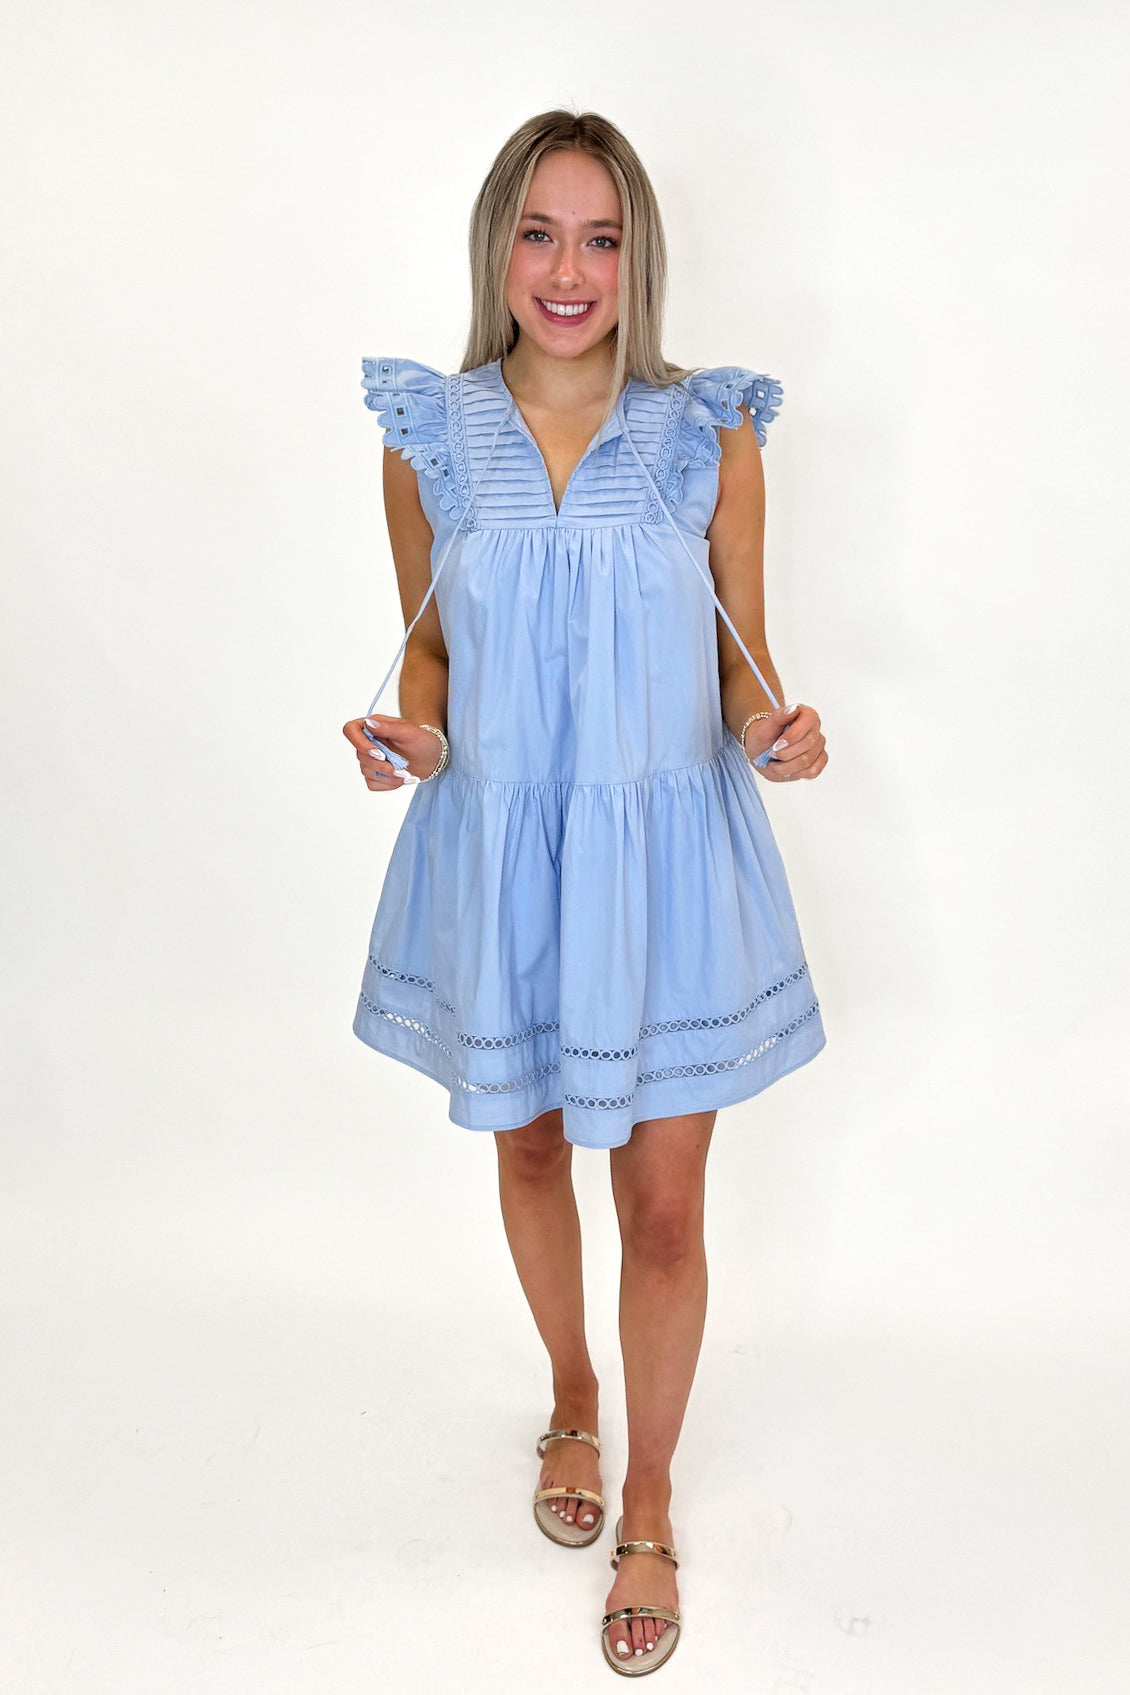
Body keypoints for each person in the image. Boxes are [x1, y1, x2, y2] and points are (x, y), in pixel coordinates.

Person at [341, 109, 828, 1677]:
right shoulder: (433, 434)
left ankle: (649, 1502)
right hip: (504, 851)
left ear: (639, 256)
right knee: (536, 1143)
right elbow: (426, 642)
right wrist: (410, 726)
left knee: (667, 1203)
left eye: (600, 236)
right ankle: (567, 1395)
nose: (568, 269)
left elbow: (737, 653)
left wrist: (775, 730)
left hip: (663, 858)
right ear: (496, 245)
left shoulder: (706, 430)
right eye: (539, 234)